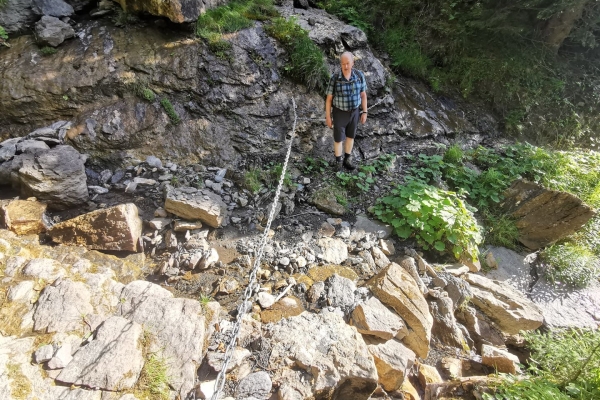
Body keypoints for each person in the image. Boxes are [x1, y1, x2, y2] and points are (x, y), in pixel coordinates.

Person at [325, 51, 368, 171]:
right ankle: (338, 161)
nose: (346, 66)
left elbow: (363, 95)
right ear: (340, 64)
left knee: (351, 136)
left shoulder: (359, 76)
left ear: (353, 62)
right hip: (339, 112)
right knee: (338, 138)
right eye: (343, 64)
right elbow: (329, 99)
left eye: (348, 63)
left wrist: (364, 111)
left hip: (355, 111)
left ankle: (347, 159)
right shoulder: (335, 79)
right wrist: (328, 116)